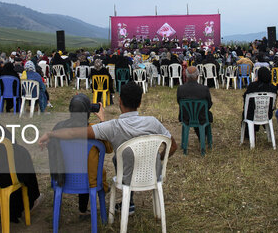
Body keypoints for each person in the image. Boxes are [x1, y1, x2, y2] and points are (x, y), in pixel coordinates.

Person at [39, 82, 178, 214]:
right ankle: (130, 203)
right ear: (140, 103)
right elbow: (173, 146)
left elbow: (74, 132)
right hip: (152, 175)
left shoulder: (112, 126)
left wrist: (50, 134)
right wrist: (158, 158)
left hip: (126, 177)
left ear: (120, 101)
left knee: (120, 159)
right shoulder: (153, 122)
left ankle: (128, 202)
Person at [48, 94, 112, 218]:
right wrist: (102, 120)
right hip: (90, 180)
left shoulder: (59, 130)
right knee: (88, 165)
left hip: (64, 177)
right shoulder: (95, 131)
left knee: (82, 165)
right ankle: (84, 208)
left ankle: (80, 210)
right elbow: (109, 148)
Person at [177, 66, 213, 140]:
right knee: (206, 114)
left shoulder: (181, 89)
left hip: (185, 117)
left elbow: (179, 102)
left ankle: (200, 135)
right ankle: (203, 136)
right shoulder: (204, 89)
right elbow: (209, 104)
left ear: (186, 76)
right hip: (202, 117)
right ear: (197, 76)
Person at [242, 66, 277, 138]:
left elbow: (246, 98)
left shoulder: (253, 86)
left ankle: (248, 133)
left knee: (249, 109)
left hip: (251, 115)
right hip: (267, 114)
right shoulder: (273, 88)